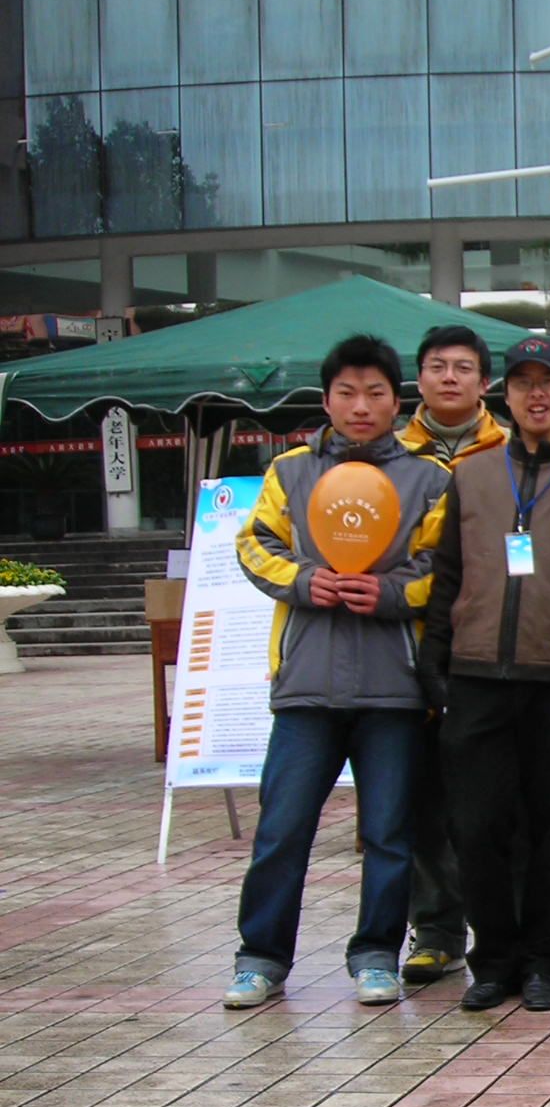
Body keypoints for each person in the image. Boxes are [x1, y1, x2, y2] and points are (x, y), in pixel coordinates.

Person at [223, 335, 450, 1008]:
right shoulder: (290, 471)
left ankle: (376, 954)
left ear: (394, 402)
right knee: (282, 829)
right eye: (347, 393)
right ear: (326, 400)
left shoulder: (430, 477)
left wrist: (390, 594)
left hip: (394, 690)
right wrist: (303, 580)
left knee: (388, 834)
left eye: (375, 393)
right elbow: (254, 544)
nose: (361, 406)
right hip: (306, 686)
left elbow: (444, 569)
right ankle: (261, 958)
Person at [420, 335, 550, 1013]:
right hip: (477, 677)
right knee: (476, 828)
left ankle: (542, 958)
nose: (536, 394)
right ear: (503, 393)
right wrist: (435, 668)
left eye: (549, 381)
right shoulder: (472, 476)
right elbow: (447, 576)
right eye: (523, 382)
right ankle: (493, 960)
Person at [396, 324, 507, 984]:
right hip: (406, 647)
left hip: (494, 652)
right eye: (437, 366)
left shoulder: (510, 452)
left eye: (463, 368)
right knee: (426, 800)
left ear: (484, 382)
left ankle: (509, 931)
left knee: (500, 804)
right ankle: (436, 930)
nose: (449, 377)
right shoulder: (389, 457)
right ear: (419, 378)